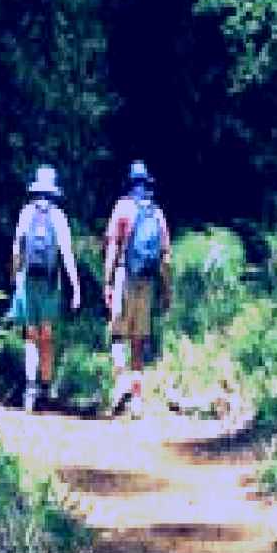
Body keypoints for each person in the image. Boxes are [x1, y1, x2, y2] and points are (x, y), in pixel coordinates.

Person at [103, 160, 171, 419]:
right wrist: (167, 290)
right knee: (139, 340)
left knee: (117, 333)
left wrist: (108, 281)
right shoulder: (157, 212)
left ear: (130, 184)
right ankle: (137, 401)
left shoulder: (122, 208)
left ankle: (121, 383)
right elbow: (165, 257)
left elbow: (112, 248)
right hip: (148, 281)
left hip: (124, 275)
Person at [11, 165, 81, 412]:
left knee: (30, 335)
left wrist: (14, 277)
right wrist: (76, 286)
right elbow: (66, 254)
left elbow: (17, 249)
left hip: (27, 281)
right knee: (47, 336)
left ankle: (29, 390)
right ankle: (46, 386)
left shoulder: (26, 213)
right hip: (51, 282)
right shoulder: (58, 216)